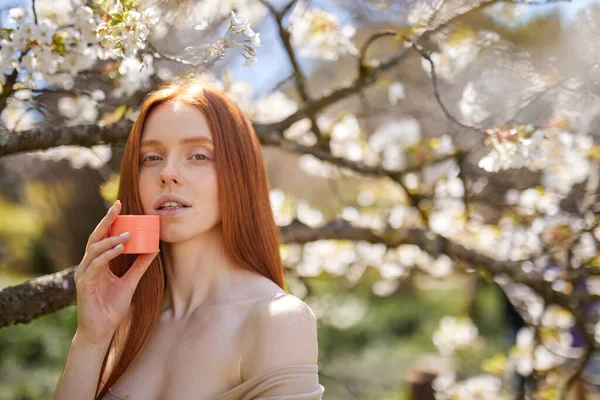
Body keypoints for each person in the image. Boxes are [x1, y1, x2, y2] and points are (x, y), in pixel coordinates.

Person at [52, 76, 325, 400]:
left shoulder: (275, 321)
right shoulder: (125, 323)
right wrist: (90, 339)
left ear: (239, 173)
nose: (168, 173)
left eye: (198, 155)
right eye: (151, 157)